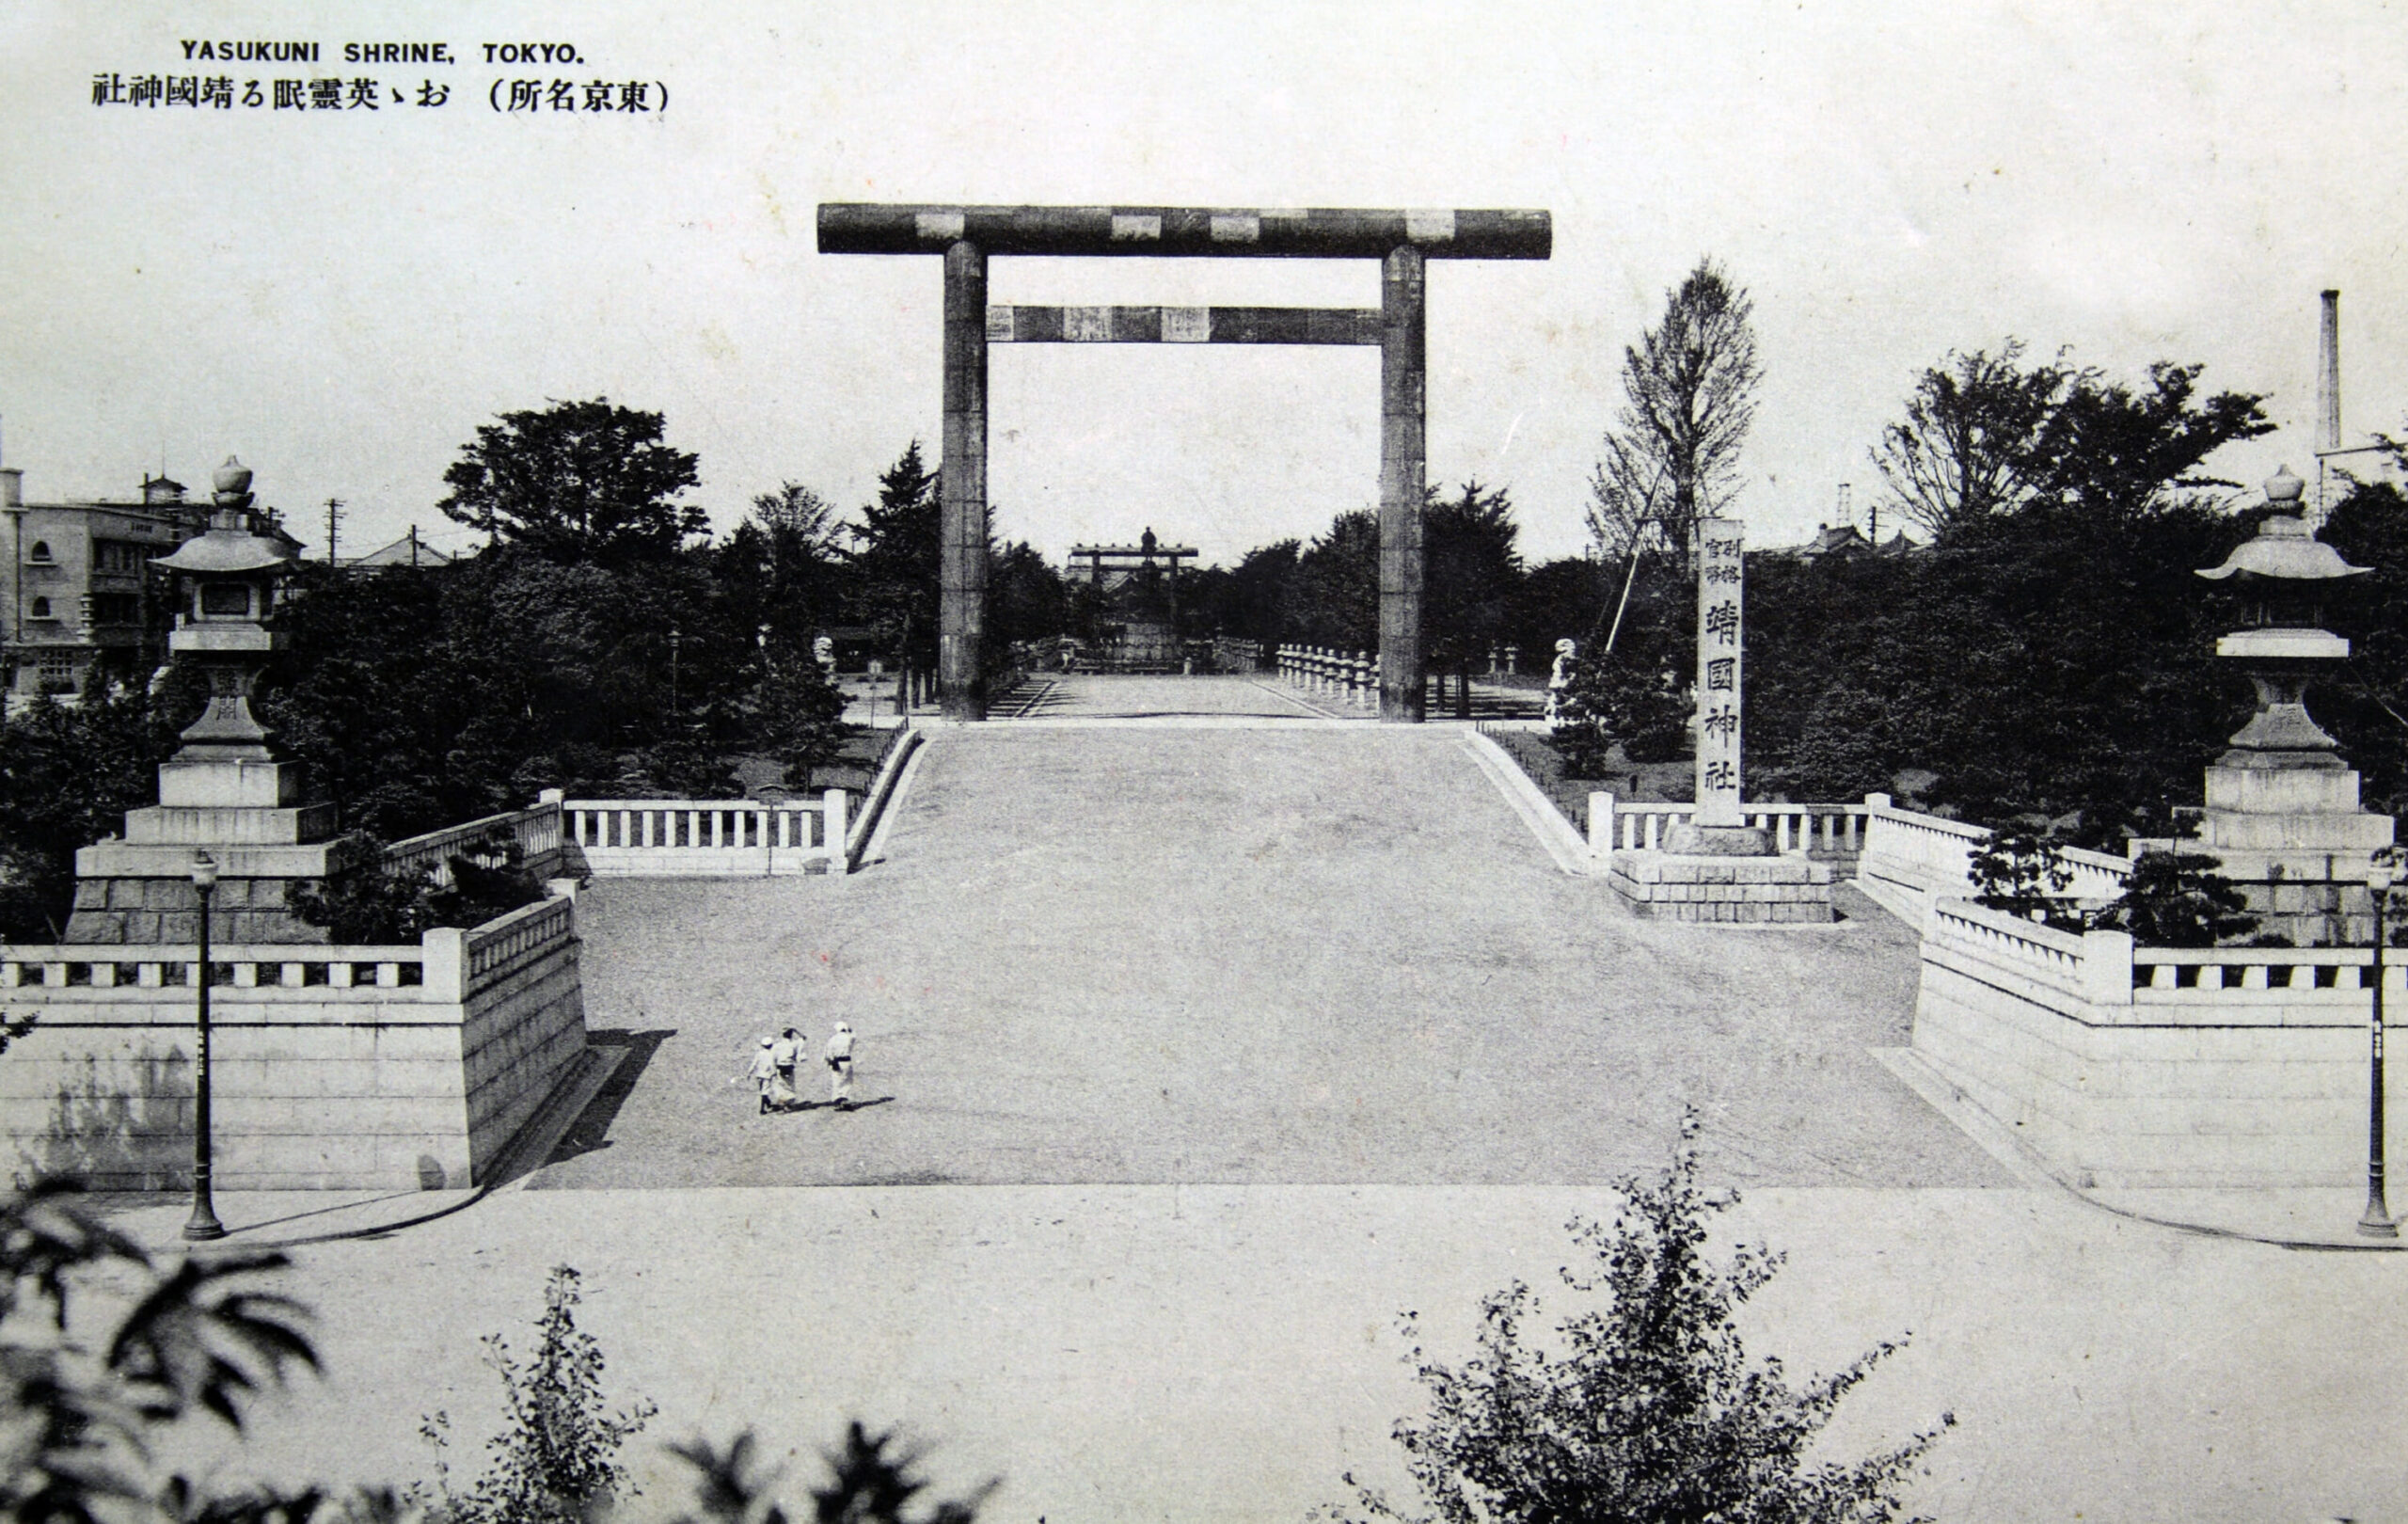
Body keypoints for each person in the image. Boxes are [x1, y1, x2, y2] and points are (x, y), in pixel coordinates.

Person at [824, 1021, 855, 1110]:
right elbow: (854, 1035)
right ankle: (844, 1097)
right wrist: (849, 1029)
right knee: (847, 1080)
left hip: (837, 1062)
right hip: (847, 1061)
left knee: (837, 1081)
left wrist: (829, 1062)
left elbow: (828, 1052)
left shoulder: (833, 1039)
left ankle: (837, 1099)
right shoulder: (849, 1037)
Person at [769, 1027, 803, 1110]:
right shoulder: (794, 1044)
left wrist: (773, 1070)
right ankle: (788, 1103)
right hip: (789, 1066)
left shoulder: (777, 1046)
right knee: (790, 1085)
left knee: (781, 1085)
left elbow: (773, 1058)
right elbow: (803, 1038)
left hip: (780, 1067)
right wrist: (796, 1031)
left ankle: (784, 1102)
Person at [743, 1038, 779, 1115]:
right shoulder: (771, 1055)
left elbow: (754, 1063)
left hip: (758, 1075)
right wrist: (775, 1073)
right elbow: (772, 1065)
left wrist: (749, 1073)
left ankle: (768, 1103)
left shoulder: (759, 1053)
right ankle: (762, 1109)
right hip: (767, 1075)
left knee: (761, 1090)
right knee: (764, 1092)